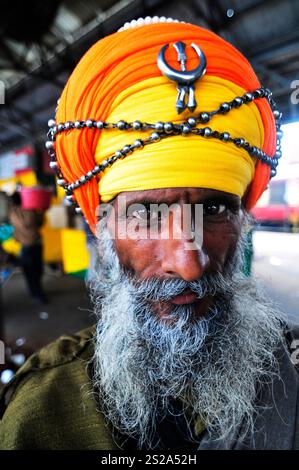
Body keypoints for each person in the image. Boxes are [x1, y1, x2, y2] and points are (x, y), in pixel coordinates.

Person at [0, 18, 298, 450]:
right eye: (147, 215)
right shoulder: (42, 412)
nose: (189, 264)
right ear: (102, 226)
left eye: (214, 210)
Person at [8, 191, 47, 304]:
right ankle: (38, 295)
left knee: (31, 272)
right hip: (34, 244)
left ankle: (34, 292)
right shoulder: (29, 210)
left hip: (27, 246)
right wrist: (40, 212)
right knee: (36, 271)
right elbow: (38, 223)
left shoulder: (13, 212)